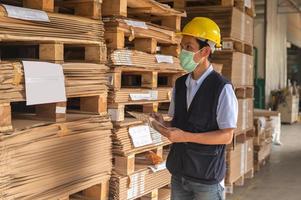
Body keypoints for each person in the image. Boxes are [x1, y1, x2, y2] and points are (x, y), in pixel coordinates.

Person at [151, 17, 238, 200]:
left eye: (188, 47)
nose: (182, 52)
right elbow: (177, 122)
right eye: (182, 46)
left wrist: (186, 137)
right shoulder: (180, 84)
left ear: (205, 51)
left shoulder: (222, 88)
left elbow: (227, 135)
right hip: (179, 172)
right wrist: (161, 122)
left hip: (206, 177)